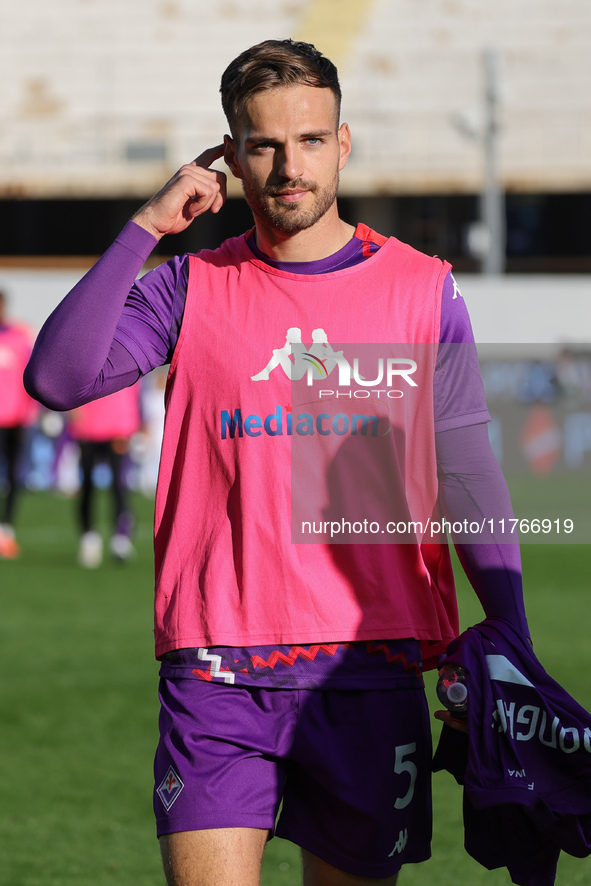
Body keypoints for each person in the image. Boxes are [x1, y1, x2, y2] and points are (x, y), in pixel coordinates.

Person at [24, 39, 530, 886]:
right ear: (230, 154)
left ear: (342, 143)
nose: (287, 165)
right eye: (262, 144)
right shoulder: (189, 285)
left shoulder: (421, 288)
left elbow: (466, 467)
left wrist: (508, 628)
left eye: (308, 140)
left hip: (367, 665)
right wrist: (144, 228)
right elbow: (59, 378)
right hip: (216, 668)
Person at [67, 384, 142, 567]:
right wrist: (72, 407)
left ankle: (121, 539)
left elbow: (136, 388)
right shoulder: (83, 355)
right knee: (87, 487)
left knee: (119, 486)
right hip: (87, 426)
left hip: (118, 426)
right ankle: (88, 538)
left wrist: (135, 422)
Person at [0, 290, 37, 558]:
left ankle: (7, 528)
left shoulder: (20, 336)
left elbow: (30, 374)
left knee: (14, 476)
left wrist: (30, 413)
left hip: (15, 420)